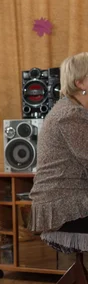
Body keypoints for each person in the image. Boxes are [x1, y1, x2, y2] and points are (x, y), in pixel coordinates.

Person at [30, 52, 88, 250]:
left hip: (71, 199)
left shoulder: (72, 108)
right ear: (81, 83)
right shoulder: (71, 114)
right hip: (63, 205)